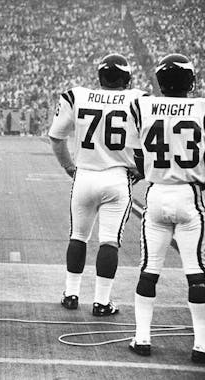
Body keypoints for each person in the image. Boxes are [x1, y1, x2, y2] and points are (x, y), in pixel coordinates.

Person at [48, 53, 146, 316]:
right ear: (126, 78)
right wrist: (142, 170)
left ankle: (71, 294)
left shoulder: (77, 96)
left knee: (78, 236)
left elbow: (56, 137)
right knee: (109, 241)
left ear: (100, 76)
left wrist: (69, 166)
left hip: (84, 176)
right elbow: (154, 139)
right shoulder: (139, 99)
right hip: (116, 177)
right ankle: (102, 302)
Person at [126, 53, 205, 363]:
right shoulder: (201, 108)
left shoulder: (142, 105)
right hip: (189, 194)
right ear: (189, 81)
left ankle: (142, 338)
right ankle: (201, 343)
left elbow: (139, 157)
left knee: (149, 269)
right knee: (197, 272)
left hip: (156, 194)